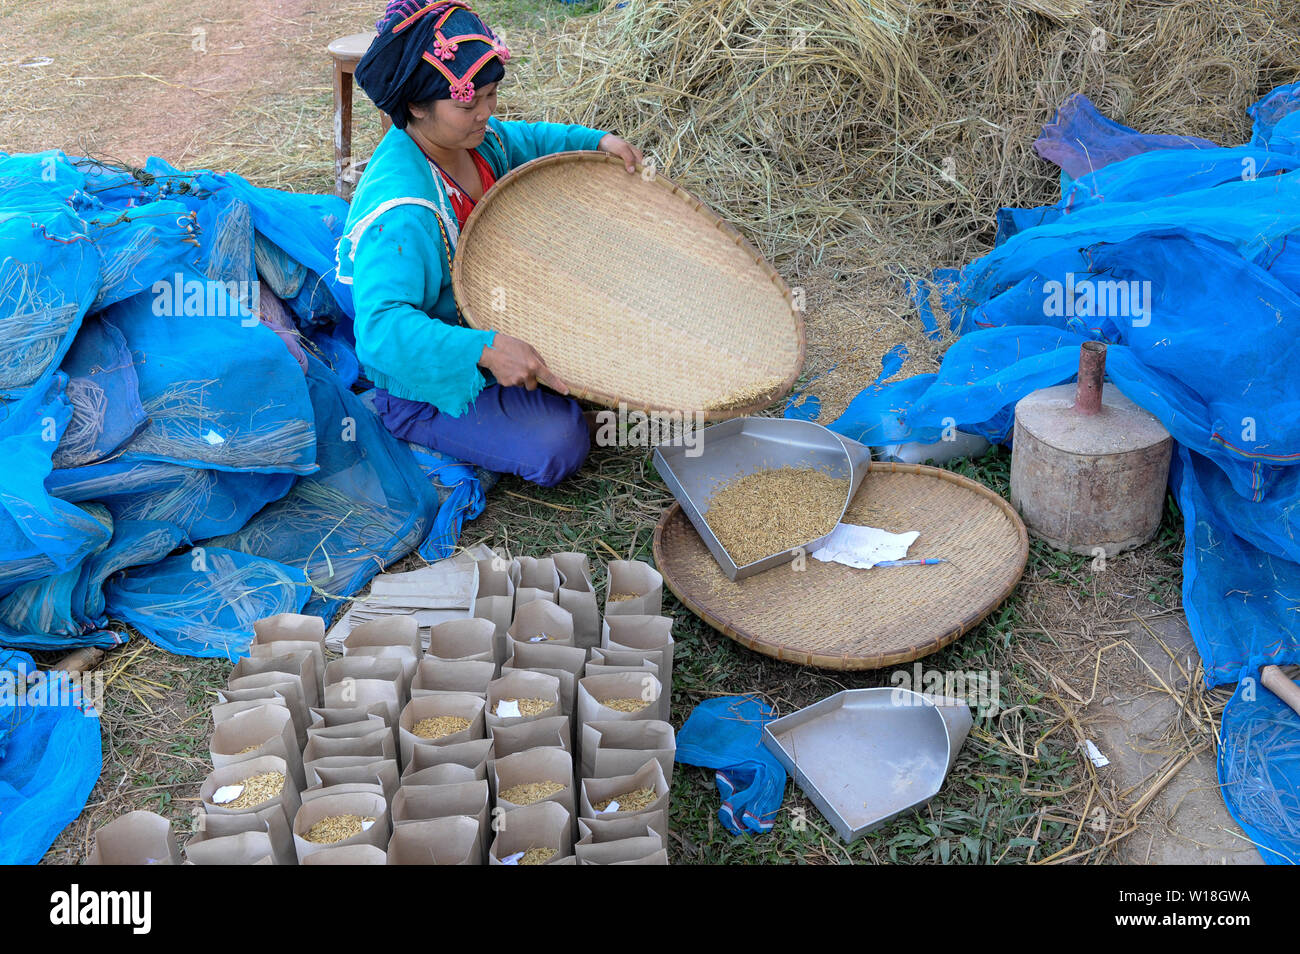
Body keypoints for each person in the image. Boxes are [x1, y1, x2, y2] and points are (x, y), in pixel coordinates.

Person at [337, 0, 643, 487]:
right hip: (431, 380)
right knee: (557, 442)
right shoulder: (403, 215)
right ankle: (423, 423)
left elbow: (529, 139)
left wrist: (596, 141)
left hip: (496, 315)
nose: (485, 113)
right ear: (415, 106)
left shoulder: (475, 141)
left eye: (491, 95)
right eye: (467, 104)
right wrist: (486, 349)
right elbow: (380, 330)